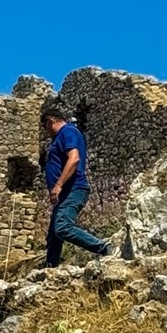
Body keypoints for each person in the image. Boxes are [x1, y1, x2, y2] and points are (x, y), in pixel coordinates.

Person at [42, 104, 112, 266]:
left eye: (44, 126)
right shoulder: (62, 136)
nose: (46, 132)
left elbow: (74, 159)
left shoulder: (67, 131)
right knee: (53, 236)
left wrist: (58, 185)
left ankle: (104, 248)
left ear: (51, 121)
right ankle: (49, 271)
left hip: (73, 189)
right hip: (65, 194)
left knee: (63, 227)